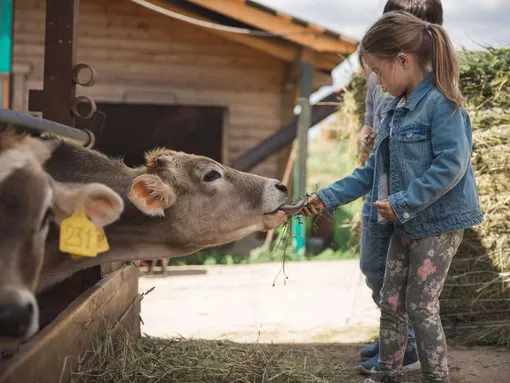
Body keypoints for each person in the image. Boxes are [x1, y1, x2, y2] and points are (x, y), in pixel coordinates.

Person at [301, 10, 483, 383]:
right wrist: (328, 197)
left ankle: (437, 377)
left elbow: (453, 165)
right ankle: (387, 372)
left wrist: (403, 202)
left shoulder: (444, 104)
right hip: (404, 220)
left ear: (403, 60)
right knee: (391, 300)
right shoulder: (394, 109)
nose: (378, 83)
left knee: (420, 305)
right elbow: (372, 171)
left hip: (437, 224)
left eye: (379, 73)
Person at [354, 0, 445, 375]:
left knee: (399, 278)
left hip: (409, 198)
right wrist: (365, 132)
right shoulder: (381, 76)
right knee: (373, 266)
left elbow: (447, 159)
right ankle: (394, 334)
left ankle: (404, 343)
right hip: (380, 185)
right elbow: (372, 116)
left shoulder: (437, 90)